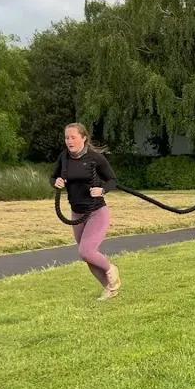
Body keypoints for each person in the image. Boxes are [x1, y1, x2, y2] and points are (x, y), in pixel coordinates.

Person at [51, 123, 121, 301]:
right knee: (87, 256)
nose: (69, 141)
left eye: (73, 137)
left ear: (83, 138)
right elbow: (53, 177)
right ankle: (110, 288)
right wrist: (56, 182)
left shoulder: (95, 158)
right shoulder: (64, 157)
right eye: (67, 138)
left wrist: (102, 190)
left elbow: (112, 180)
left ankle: (111, 269)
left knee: (86, 251)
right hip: (77, 214)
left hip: (96, 212)